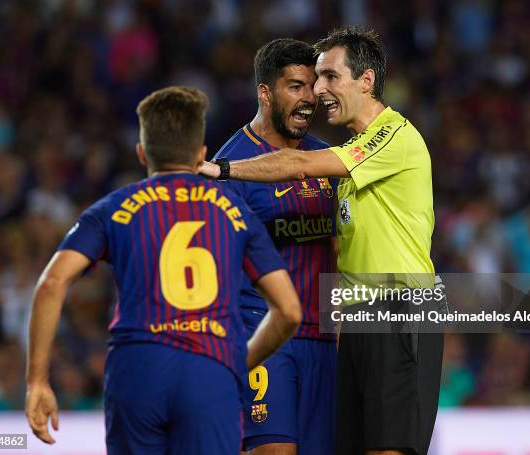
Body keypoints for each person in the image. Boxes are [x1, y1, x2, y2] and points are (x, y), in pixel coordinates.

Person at [201, 27, 444, 455]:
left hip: (398, 308)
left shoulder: (384, 139)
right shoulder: (348, 159)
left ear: (365, 81)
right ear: (264, 92)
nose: (317, 93)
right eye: (308, 83)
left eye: (327, 78)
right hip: (312, 327)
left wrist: (221, 168)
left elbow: (297, 166)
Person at [25, 86, 302, 455]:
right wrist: (239, 361)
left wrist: (37, 381)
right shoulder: (234, 212)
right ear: (201, 153)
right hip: (210, 371)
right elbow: (289, 311)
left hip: (138, 370)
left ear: (142, 153)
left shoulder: (113, 208)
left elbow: (52, 283)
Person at [213, 38, 337, 455]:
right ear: (265, 93)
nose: (308, 99)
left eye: (312, 87)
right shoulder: (231, 167)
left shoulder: (326, 160)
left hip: (325, 341)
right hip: (263, 336)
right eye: (295, 87)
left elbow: (338, 249)